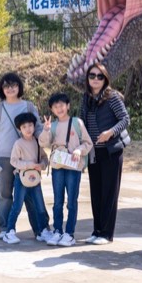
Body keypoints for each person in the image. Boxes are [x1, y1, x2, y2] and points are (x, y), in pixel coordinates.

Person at [0, 72, 52, 241]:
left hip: (28, 157)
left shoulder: (28, 106)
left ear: (19, 87)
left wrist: (46, 136)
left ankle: (40, 230)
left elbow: (37, 130)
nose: (10, 89)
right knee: (4, 194)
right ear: (2, 89)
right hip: (3, 156)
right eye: (6, 86)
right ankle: (6, 228)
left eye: (14, 85)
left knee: (31, 193)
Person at [80, 63, 130, 245]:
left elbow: (125, 119)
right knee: (96, 192)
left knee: (109, 192)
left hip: (111, 151)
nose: (95, 79)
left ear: (105, 78)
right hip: (93, 151)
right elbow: (81, 122)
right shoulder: (86, 98)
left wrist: (110, 132)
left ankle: (106, 234)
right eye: (92, 76)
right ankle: (97, 230)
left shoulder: (112, 97)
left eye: (99, 76)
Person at [39, 92, 93, 246]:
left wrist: (78, 150)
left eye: (62, 105)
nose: (59, 108)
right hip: (57, 167)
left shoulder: (77, 122)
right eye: (55, 106)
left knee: (71, 202)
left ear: (68, 106)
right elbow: (43, 143)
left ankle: (69, 233)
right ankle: (57, 231)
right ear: (52, 109)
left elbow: (88, 143)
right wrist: (46, 129)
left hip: (73, 167)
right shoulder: (53, 126)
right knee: (57, 201)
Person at [2, 112, 49, 244]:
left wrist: (42, 165)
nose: (28, 129)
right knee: (17, 206)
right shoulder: (18, 143)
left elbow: (45, 158)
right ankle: (9, 231)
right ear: (19, 129)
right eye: (24, 127)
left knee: (40, 206)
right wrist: (29, 165)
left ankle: (42, 231)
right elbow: (13, 161)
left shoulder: (37, 142)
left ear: (34, 126)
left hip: (35, 179)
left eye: (30, 125)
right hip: (21, 179)